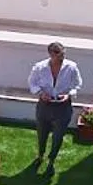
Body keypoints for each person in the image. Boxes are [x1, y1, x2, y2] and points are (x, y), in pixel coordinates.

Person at [27, 42, 81, 173]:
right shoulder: (40, 67)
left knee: (58, 135)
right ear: (50, 54)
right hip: (45, 105)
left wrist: (69, 95)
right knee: (42, 132)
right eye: (57, 53)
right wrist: (40, 93)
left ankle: (52, 160)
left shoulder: (71, 67)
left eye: (63, 52)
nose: (61, 55)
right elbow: (31, 83)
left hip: (63, 107)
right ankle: (40, 155)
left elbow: (77, 84)